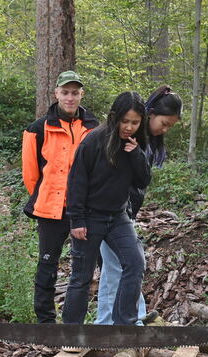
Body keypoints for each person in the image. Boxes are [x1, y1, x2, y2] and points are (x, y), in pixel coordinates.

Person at [94, 85, 182, 325]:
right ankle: (111, 323)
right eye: (164, 123)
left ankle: (118, 319)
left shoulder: (146, 142)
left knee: (121, 266)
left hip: (125, 212)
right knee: (118, 266)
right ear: (150, 114)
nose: (165, 129)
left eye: (169, 127)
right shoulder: (129, 139)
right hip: (111, 212)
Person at [63, 91, 152, 325]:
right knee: (82, 276)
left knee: (134, 263)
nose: (129, 127)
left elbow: (142, 181)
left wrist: (136, 155)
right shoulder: (94, 140)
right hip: (89, 218)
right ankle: (71, 334)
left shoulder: (135, 143)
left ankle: (126, 324)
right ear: (115, 117)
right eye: (125, 121)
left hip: (118, 216)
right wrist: (77, 220)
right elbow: (76, 181)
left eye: (135, 122)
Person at [22, 70, 99, 323]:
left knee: (93, 264)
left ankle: (98, 319)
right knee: (47, 264)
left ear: (81, 95)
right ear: (56, 93)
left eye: (75, 93)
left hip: (87, 210)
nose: (70, 98)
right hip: (50, 209)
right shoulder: (38, 128)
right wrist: (46, 196)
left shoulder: (93, 127)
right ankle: (45, 322)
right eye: (65, 92)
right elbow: (31, 174)